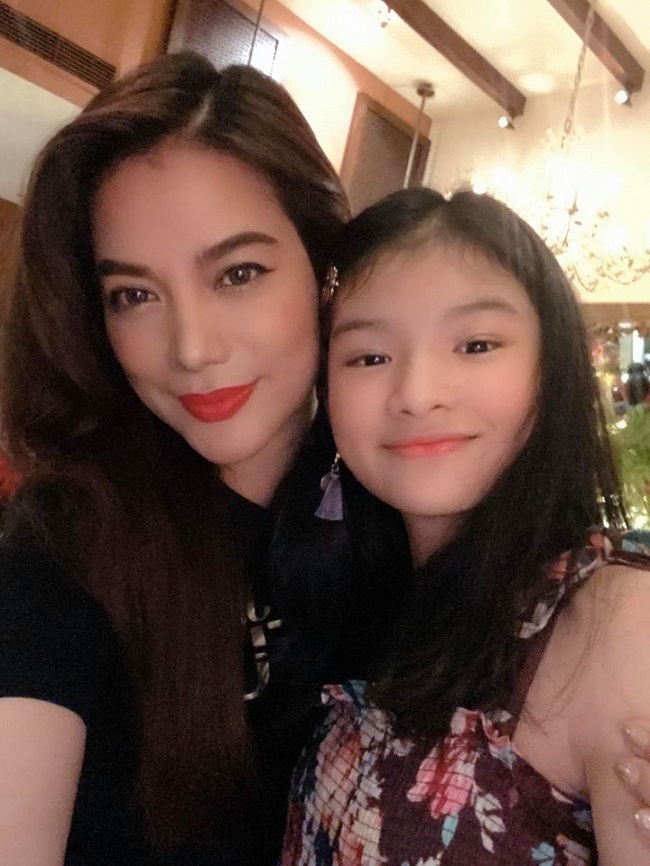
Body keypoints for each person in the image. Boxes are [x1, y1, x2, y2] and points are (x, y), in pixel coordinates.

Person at [0, 51, 377, 866]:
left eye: (238, 273)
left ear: (326, 273)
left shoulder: (396, 517)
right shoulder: (64, 545)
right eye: (134, 295)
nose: (192, 348)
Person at [283, 188, 650, 865]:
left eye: (476, 344)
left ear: (552, 370)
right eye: (369, 357)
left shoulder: (618, 626)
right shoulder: (359, 598)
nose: (418, 394)